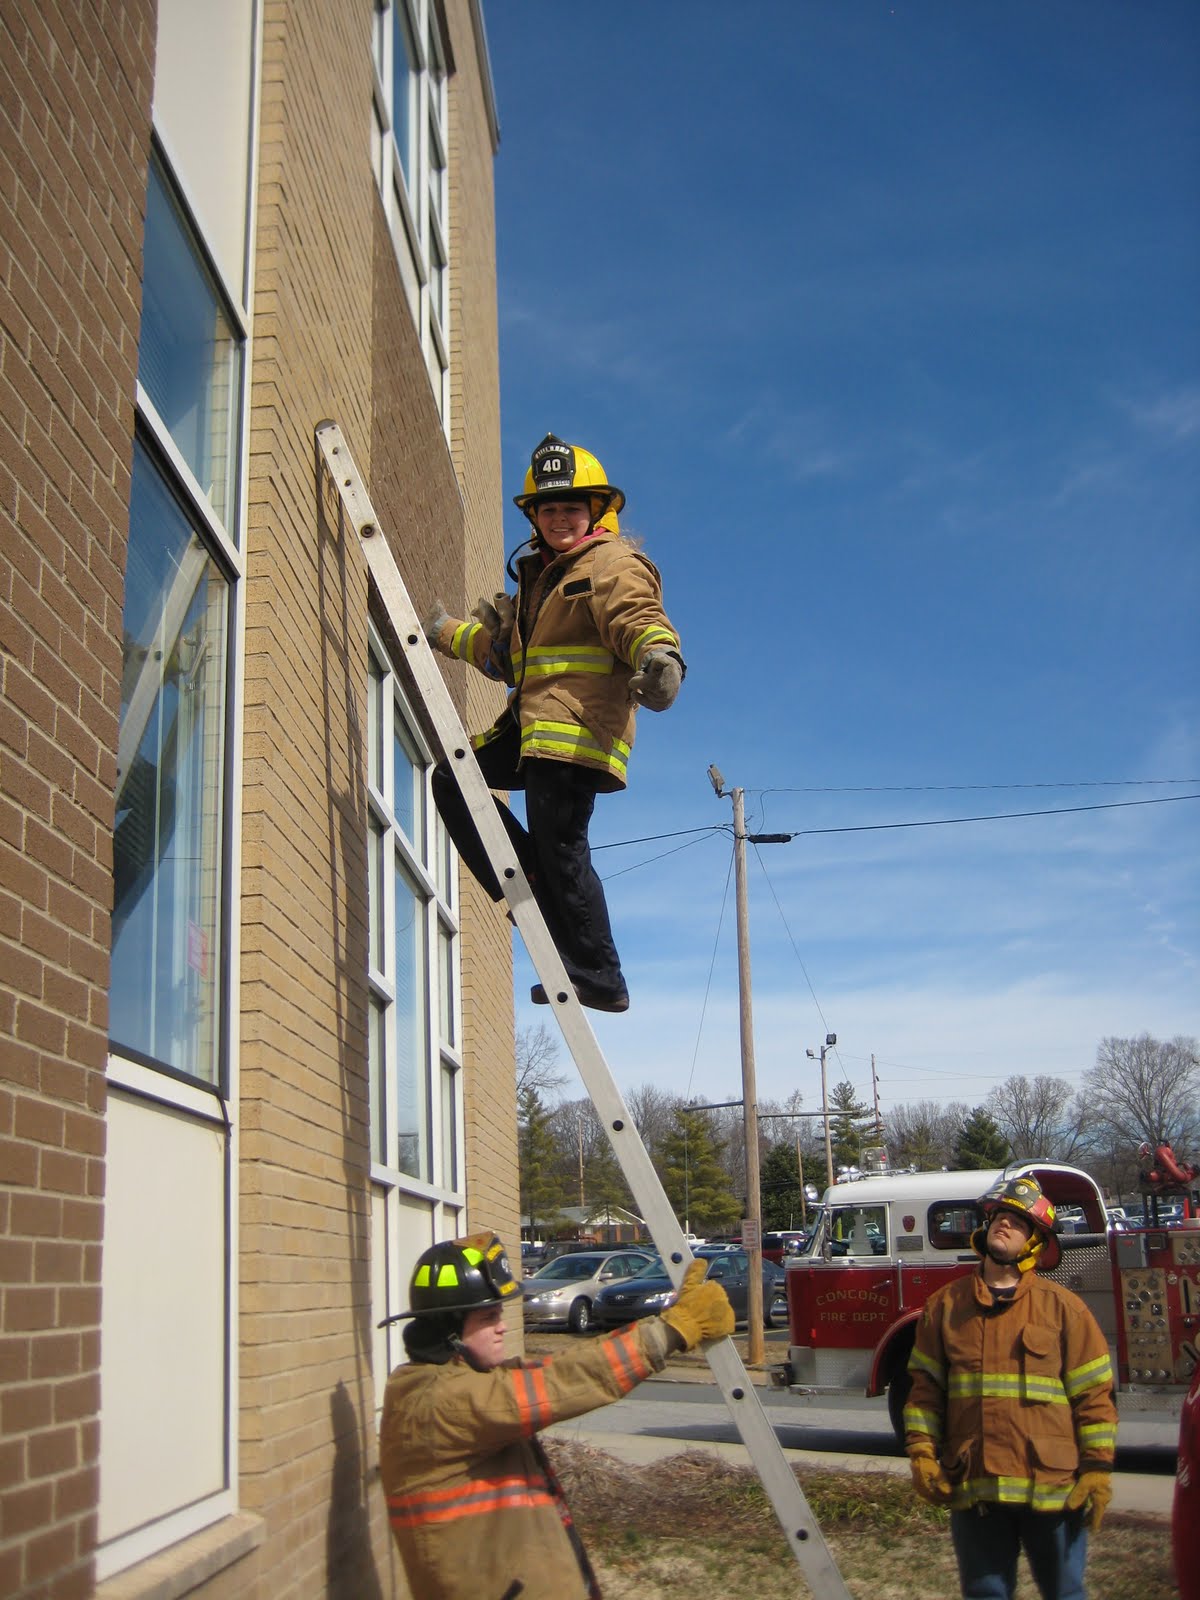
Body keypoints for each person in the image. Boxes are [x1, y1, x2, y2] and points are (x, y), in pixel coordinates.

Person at [424, 433, 685, 1013]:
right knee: (452, 779)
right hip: (532, 728)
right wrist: (443, 632)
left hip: (576, 730)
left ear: (596, 512)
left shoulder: (610, 564)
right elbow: (503, 656)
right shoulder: (540, 579)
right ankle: (532, 888)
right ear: (534, 518)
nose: (559, 518)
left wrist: (659, 656)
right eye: (548, 509)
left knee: (563, 846)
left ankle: (601, 976)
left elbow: (636, 615)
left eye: (571, 507)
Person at [378, 1230, 733, 1600]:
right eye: (488, 1317)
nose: (502, 1326)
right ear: (448, 1331)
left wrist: (662, 1320)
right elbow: (561, 1382)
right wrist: (671, 1331)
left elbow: (563, 1364)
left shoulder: (453, 1382)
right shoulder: (437, 1402)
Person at [904, 1174, 1117, 1600]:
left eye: (1018, 1222)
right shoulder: (945, 1307)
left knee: (1065, 1593)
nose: (1004, 1223)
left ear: (1036, 1243)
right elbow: (925, 1392)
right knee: (985, 1593)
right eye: (1000, 1215)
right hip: (976, 1487)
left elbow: (1094, 1397)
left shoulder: (1065, 1311)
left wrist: (1097, 1468)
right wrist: (922, 1455)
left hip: (1054, 1491)